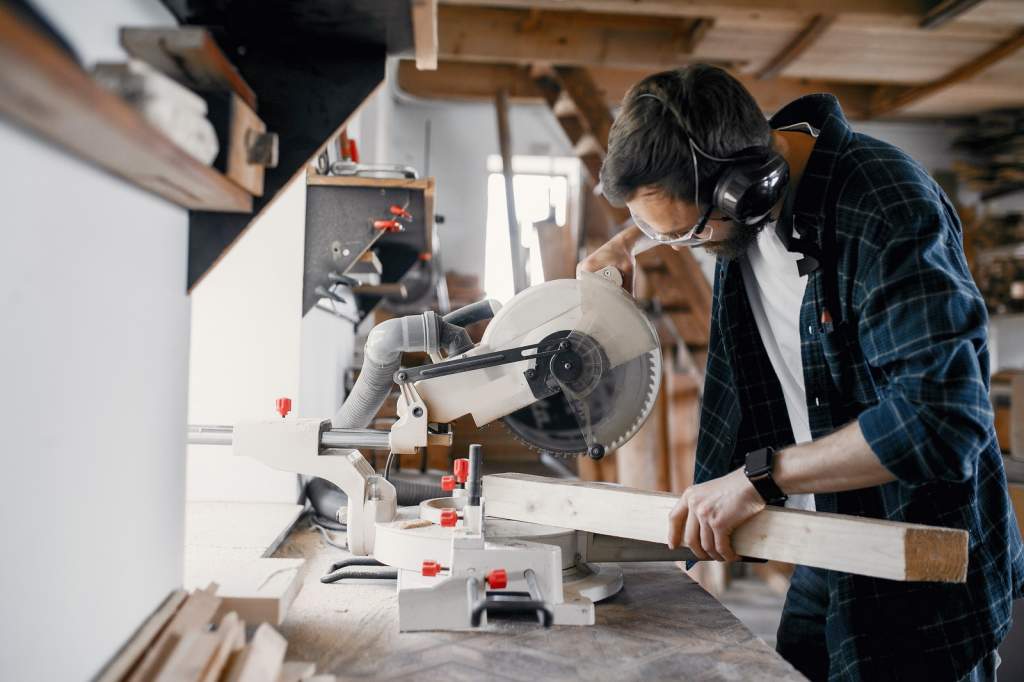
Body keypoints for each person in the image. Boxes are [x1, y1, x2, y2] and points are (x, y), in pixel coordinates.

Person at [579, 64, 1023, 681]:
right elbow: (688, 210)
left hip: (915, 556)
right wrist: (636, 237)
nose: (686, 246)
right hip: (827, 539)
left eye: (688, 234)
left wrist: (759, 478)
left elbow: (943, 417)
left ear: (749, 188)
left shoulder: (885, 205)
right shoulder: (754, 182)